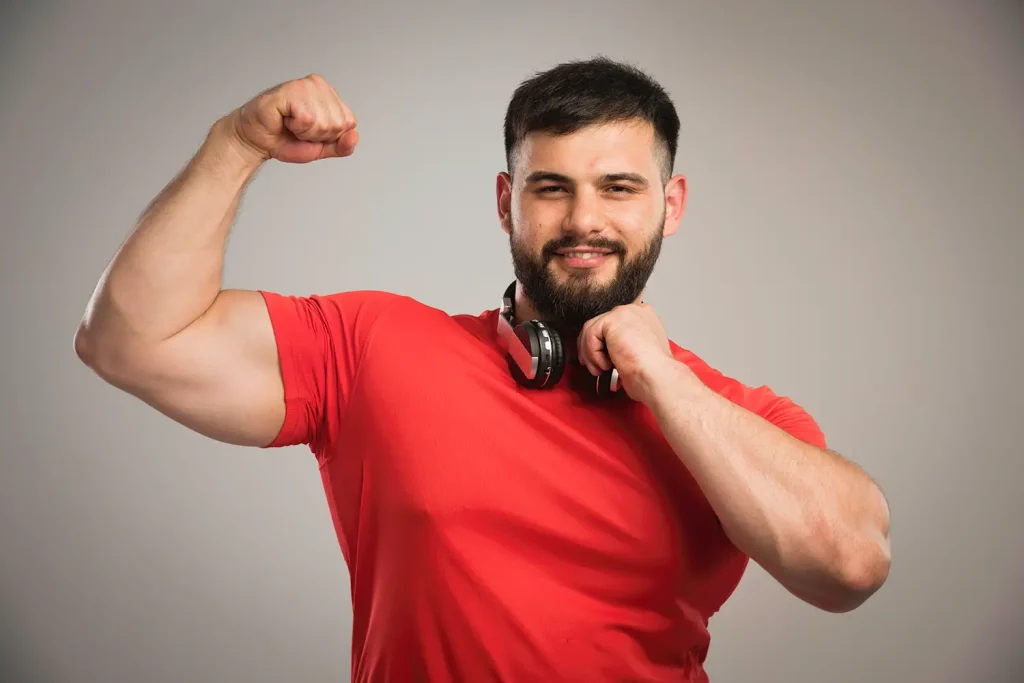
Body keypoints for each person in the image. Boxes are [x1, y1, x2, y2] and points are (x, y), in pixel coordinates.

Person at [74, 57, 891, 682]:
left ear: (669, 206)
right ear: (505, 201)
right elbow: (129, 339)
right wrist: (238, 142)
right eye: (551, 188)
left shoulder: (732, 416)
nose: (583, 220)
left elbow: (850, 564)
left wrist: (664, 378)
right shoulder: (372, 346)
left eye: (618, 188)